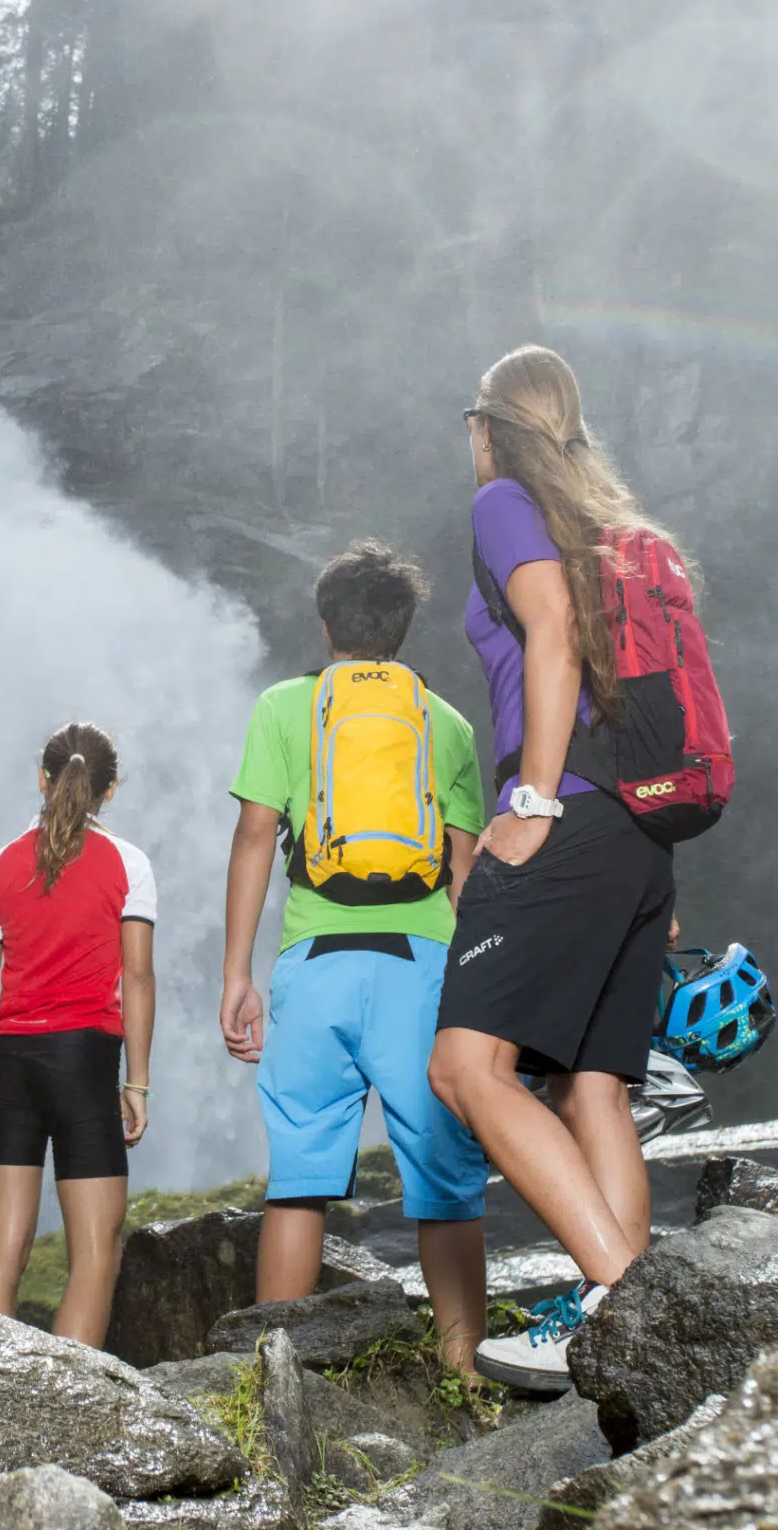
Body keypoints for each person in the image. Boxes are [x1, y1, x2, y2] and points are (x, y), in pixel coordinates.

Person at [428, 346, 679, 1392]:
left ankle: (627, 1301)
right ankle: (635, 1311)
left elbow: (553, 634)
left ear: (491, 426)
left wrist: (526, 801)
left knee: (465, 1068)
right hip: (632, 830)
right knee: (594, 1089)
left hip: (562, 813)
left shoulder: (501, 499)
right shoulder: (608, 526)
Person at [221, 540, 489, 1376]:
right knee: (445, 1181)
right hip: (420, 964)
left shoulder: (281, 708)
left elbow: (255, 836)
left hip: (316, 954)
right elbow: (465, 870)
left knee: (299, 1180)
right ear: (402, 629)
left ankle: (272, 1379)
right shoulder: (443, 722)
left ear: (324, 623)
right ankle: (464, 1369)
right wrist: (477, 994)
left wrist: (238, 974)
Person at [0, 722, 156, 1348]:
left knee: (2, 1251)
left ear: (41, 780)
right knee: (96, 1253)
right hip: (85, 1061)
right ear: (111, 790)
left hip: (10, 1064)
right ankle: (72, 1422)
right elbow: (139, 977)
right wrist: (138, 1083)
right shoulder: (128, 864)